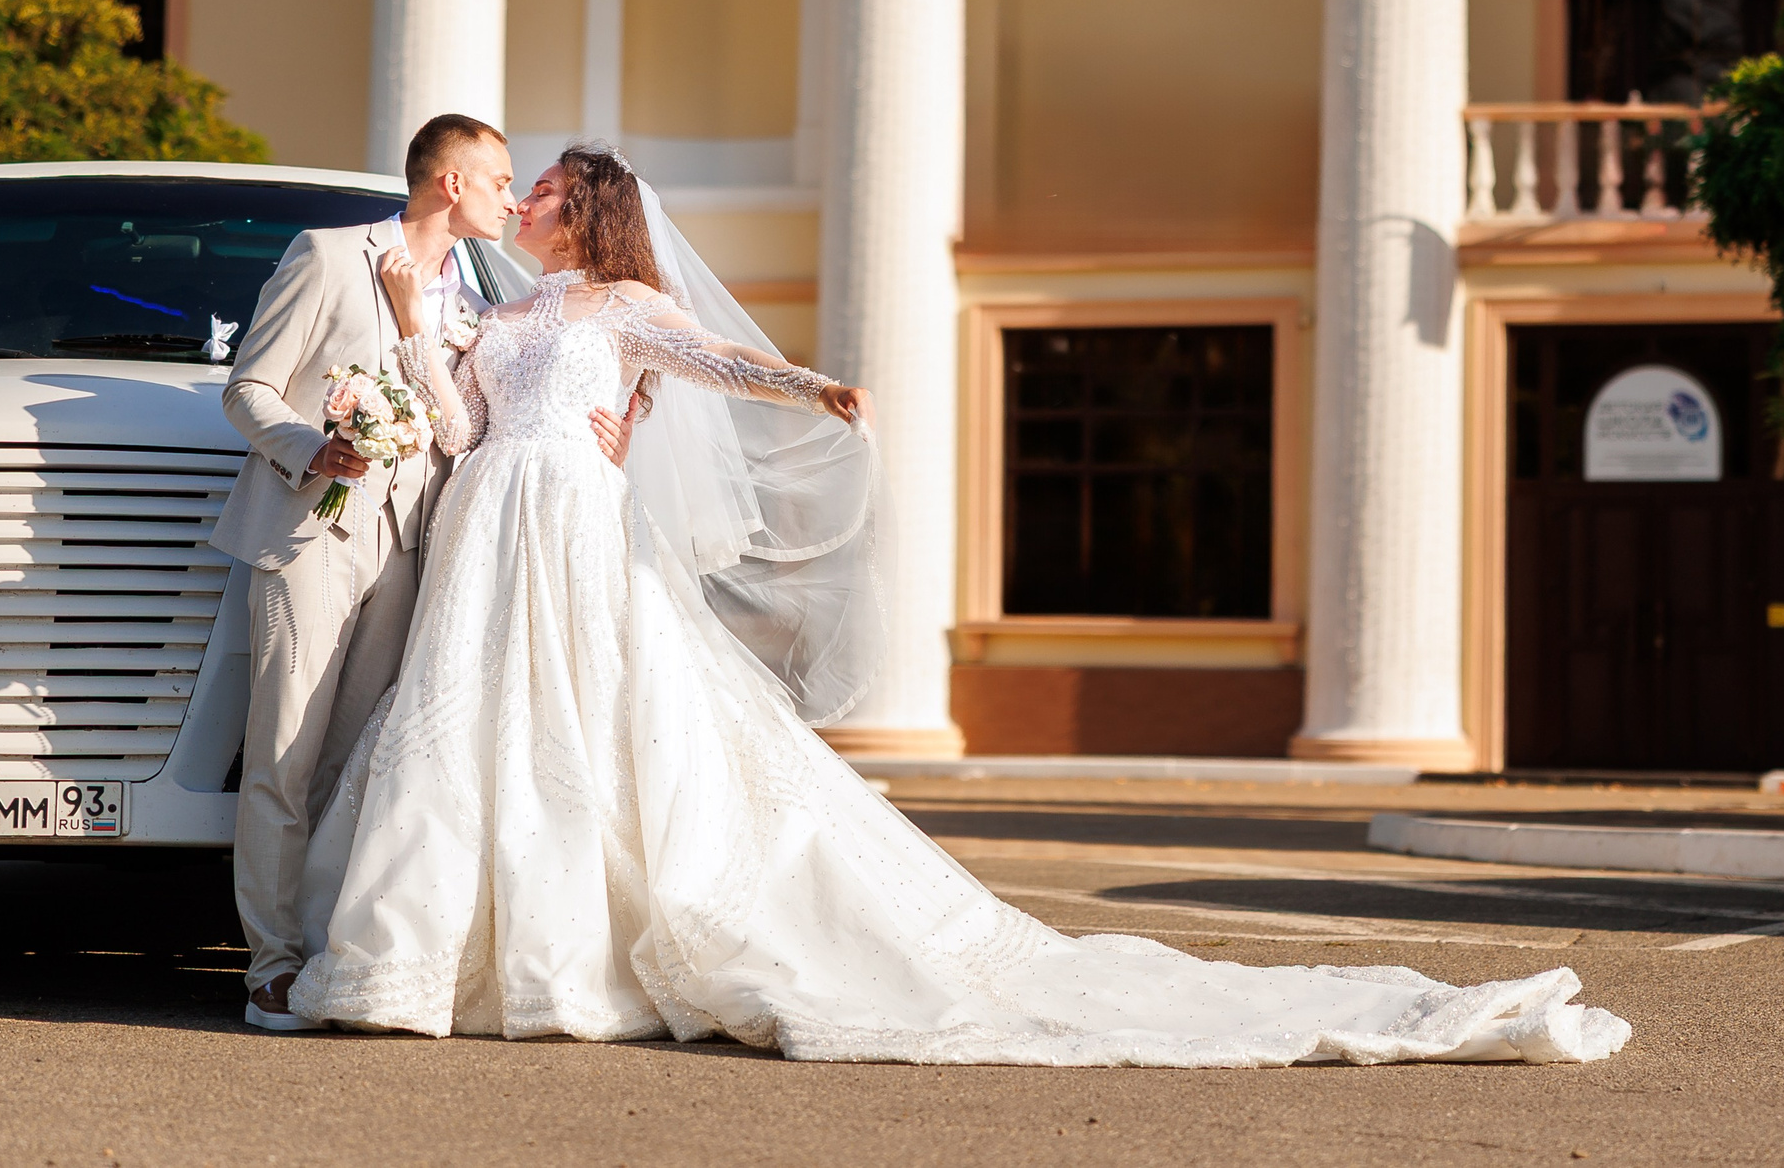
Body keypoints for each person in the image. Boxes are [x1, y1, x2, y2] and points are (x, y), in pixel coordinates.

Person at [287, 143, 1630, 1067]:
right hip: (493, 513)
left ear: (587, 206)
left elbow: (718, 359)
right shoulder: (499, 312)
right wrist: (412, 318)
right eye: (519, 184)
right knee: (473, 728)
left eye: (549, 187)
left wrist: (814, 385)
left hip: (572, 522)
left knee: (587, 726)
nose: (524, 197)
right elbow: (458, 421)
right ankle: (424, 962)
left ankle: (564, 958)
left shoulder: (629, 300)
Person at [208, 115, 633, 1033]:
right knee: (282, 754)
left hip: (417, 546)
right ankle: (271, 966)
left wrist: (616, 433)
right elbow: (249, 388)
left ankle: (326, 950)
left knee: (354, 759)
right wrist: (312, 450)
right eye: (502, 179)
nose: (515, 198)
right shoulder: (330, 255)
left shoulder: (483, 306)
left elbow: (488, 422)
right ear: (452, 183)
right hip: (313, 533)